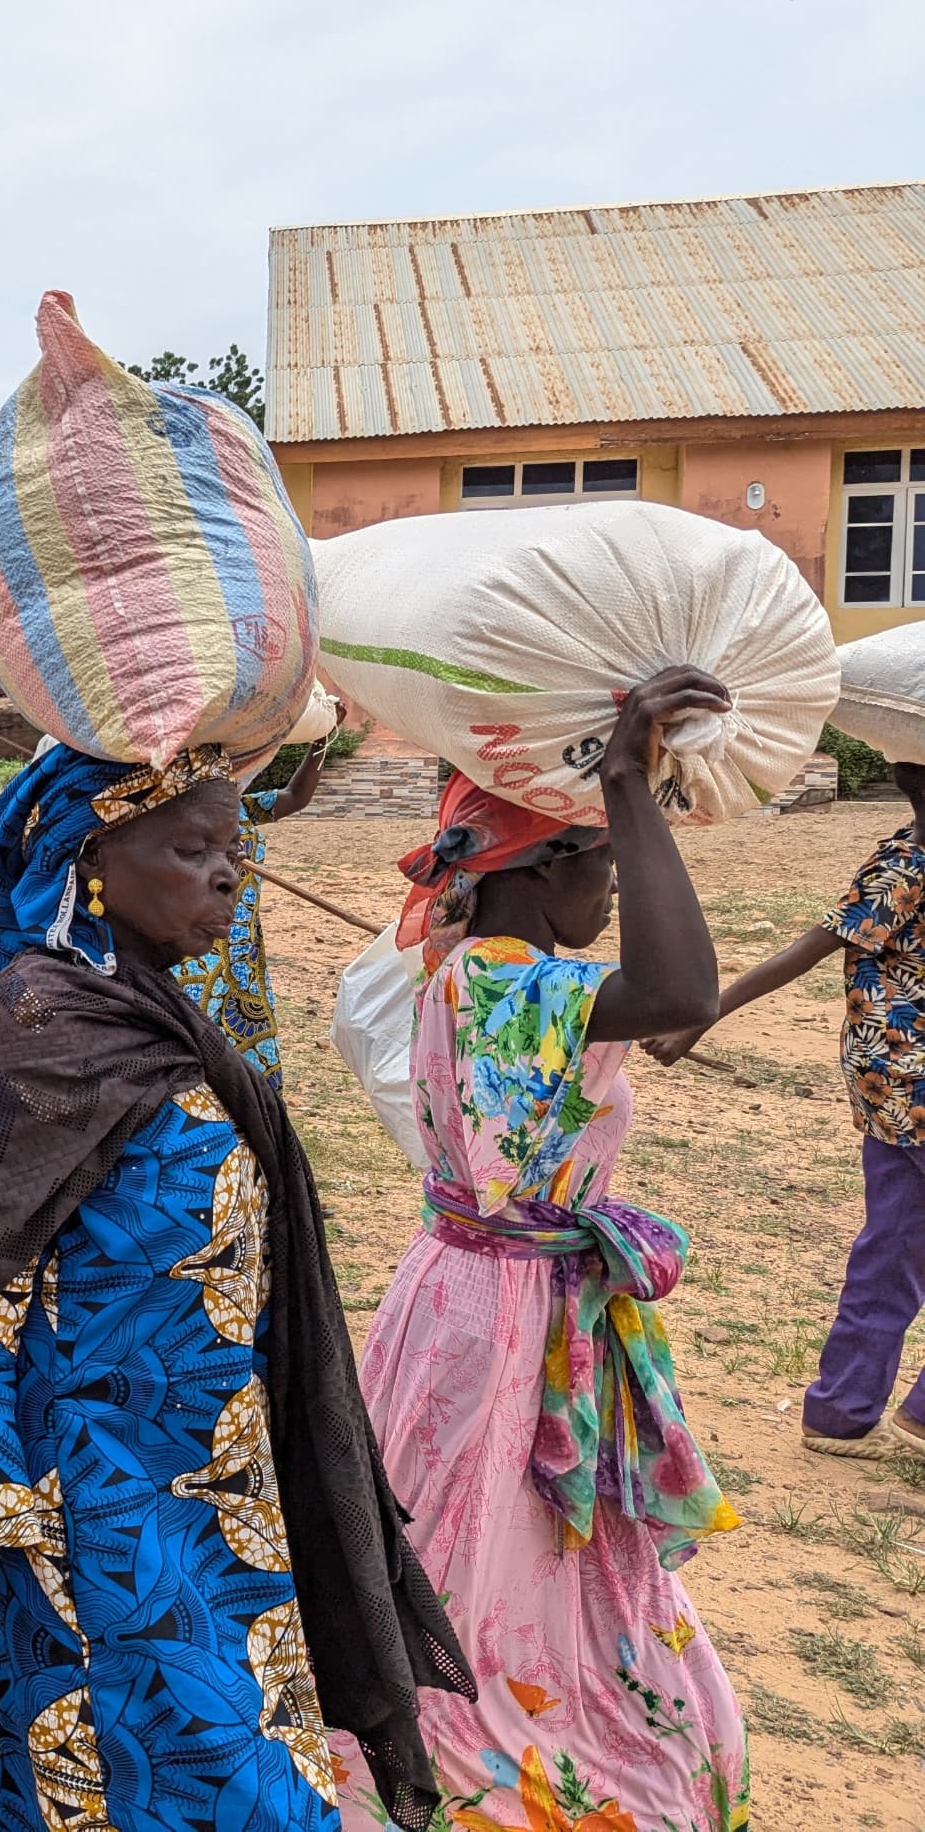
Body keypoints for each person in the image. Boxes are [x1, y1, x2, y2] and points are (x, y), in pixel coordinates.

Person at [0, 738, 467, 1832]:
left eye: (233, 849)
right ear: (89, 858)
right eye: (191, 847)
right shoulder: (35, 1031)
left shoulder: (174, 1025)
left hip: (225, 1534)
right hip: (87, 1557)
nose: (227, 875)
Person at [342, 669, 746, 1830]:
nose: (613, 887)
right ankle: (489, 1753)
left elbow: (652, 1005)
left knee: (459, 1524)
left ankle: (459, 1707)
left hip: (463, 1293)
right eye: (602, 865)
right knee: (496, 1537)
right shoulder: (516, 987)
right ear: (543, 866)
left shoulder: (473, 976)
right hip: (511, 1316)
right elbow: (681, 985)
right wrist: (624, 782)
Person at [646, 758, 925, 1461]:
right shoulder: (907, 863)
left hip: (890, 1077)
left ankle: (843, 1412)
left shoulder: (905, 846)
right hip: (909, 1074)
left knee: (893, 1244)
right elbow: (812, 946)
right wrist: (703, 1015)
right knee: (893, 1244)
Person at [174, 710, 338, 1079]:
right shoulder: (177, 816)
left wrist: (321, 741)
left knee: (244, 1044)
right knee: (191, 1039)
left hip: (240, 947)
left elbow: (295, 797)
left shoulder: (243, 809)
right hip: (195, 952)